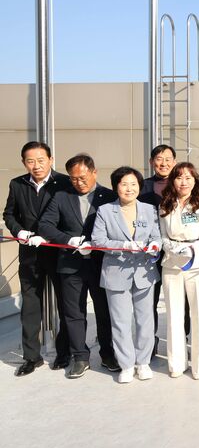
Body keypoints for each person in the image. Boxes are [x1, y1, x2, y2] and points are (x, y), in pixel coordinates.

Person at [38, 153, 119, 378]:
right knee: (73, 313)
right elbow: (45, 225)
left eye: (83, 177)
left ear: (94, 173)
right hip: (70, 263)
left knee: (104, 311)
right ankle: (80, 357)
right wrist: (68, 240)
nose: (78, 182)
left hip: (101, 264)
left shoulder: (109, 196)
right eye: (73, 178)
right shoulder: (61, 196)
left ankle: (108, 354)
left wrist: (97, 243)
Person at [3, 141, 71, 376]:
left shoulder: (64, 183)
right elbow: (9, 214)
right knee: (30, 306)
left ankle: (64, 352)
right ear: (24, 163)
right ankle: (32, 357)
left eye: (41, 160)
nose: (36, 165)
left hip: (59, 253)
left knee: (66, 303)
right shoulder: (17, 184)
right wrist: (19, 231)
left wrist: (53, 236)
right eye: (30, 161)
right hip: (30, 255)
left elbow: (70, 216)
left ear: (51, 160)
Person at [92, 167, 162, 383]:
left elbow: (157, 237)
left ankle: (143, 362)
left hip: (144, 272)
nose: (129, 188)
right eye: (124, 184)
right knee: (120, 322)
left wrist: (155, 246)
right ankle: (126, 365)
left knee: (145, 320)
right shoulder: (105, 211)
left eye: (133, 184)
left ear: (139, 186)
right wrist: (123, 245)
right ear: (116, 187)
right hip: (116, 273)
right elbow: (98, 241)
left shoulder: (149, 209)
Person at [159, 162, 199, 380]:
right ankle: (176, 363)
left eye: (188, 177)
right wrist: (172, 248)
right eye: (179, 177)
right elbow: (162, 235)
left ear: (195, 181)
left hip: (197, 264)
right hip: (171, 263)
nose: (184, 182)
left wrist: (192, 249)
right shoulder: (165, 204)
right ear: (172, 180)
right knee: (174, 314)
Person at [138, 144, 181, 358]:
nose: (163, 163)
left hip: (177, 249)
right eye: (159, 159)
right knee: (149, 300)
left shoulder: (182, 183)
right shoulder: (142, 186)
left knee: (179, 299)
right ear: (151, 162)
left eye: (167, 159)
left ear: (174, 162)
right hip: (150, 251)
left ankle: (181, 339)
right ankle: (149, 340)